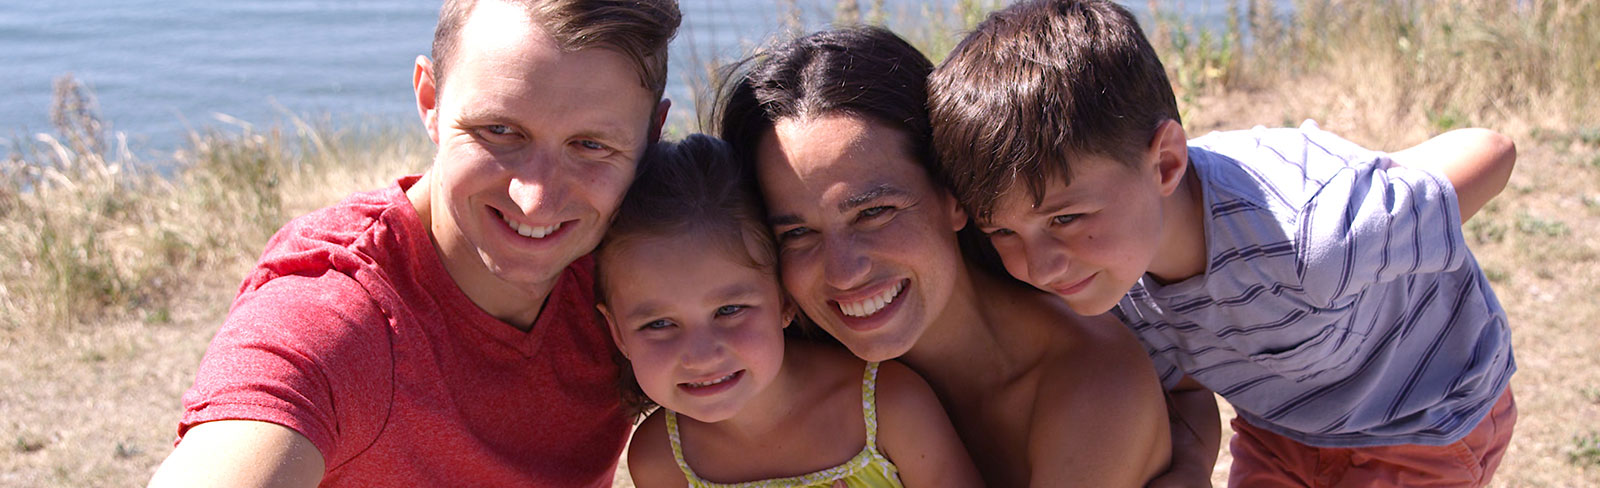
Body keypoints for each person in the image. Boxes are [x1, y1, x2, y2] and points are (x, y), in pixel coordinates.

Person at [926, 1, 1518, 486]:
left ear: (1165, 164)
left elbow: (1491, 150)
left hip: (1424, 422)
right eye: (1002, 230)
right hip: (1281, 431)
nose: (1039, 266)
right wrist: (1188, 469)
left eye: (1065, 218)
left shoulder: (1315, 237)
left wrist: (1379, 186)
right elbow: (1183, 387)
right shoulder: (1110, 284)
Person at [147, 0, 680, 486]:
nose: (535, 199)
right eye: (499, 130)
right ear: (429, 99)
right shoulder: (341, 315)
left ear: (651, 135)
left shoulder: (638, 271)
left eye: (591, 145)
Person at [718, 26, 1172, 487]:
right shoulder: (771, 378)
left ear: (956, 194)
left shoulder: (1094, 387)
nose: (843, 271)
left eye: (874, 212)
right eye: (797, 233)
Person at [593, 134, 982, 488]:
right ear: (618, 333)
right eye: (658, 324)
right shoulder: (660, 459)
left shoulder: (888, 407)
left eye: (729, 309)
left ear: (784, 299)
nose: (702, 355)